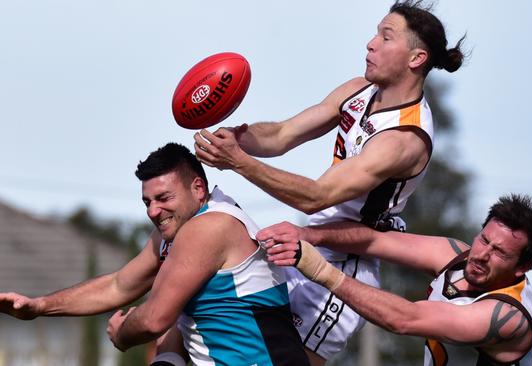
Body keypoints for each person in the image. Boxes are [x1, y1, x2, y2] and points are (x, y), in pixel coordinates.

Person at [194, 1, 465, 363]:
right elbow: (282, 134)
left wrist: (239, 163)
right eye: (375, 33)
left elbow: (317, 197)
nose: (370, 43)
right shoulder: (358, 90)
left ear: (416, 59)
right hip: (301, 242)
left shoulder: (404, 139)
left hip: (344, 264)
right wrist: (237, 138)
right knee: (202, 310)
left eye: (386, 37)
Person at [0, 143, 309, 366]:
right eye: (147, 201)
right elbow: (120, 286)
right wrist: (39, 305)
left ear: (198, 188)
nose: (153, 211)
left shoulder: (209, 227)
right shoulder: (178, 229)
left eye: (163, 198)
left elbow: (154, 320)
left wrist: (123, 334)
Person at [258, 194, 532, 365]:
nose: (482, 254)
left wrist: (320, 269)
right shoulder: (456, 256)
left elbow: (405, 320)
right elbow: (373, 241)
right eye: (483, 239)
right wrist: (308, 235)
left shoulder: (507, 316)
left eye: (499, 252)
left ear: (522, 267)